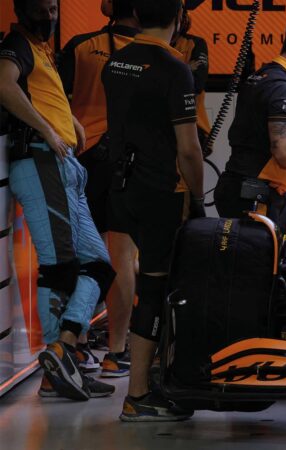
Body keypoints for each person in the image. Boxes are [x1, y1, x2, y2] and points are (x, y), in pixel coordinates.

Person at [0, 0, 116, 400]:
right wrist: (49, 130)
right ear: (21, 7)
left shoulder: (40, 48)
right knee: (60, 268)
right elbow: (3, 84)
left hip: (62, 165)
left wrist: (70, 123)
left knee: (100, 266)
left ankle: (62, 351)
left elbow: (43, 96)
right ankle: (55, 372)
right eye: (40, 7)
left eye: (53, 7)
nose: (48, 15)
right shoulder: (16, 42)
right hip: (40, 161)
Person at [102, 0, 204, 421]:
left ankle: (146, 379)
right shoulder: (174, 68)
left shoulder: (115, 62)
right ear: (179, 19)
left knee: (129, 273)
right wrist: (197, 198)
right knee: (156, 289)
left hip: (119, 186)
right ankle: (139, 395)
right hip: (161, 190)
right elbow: (189, 149)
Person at [58, 0, 139, 379]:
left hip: (83, 158)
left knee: (83, 253)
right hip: (129, 163)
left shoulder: (78, 45)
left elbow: (52, 99)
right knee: (122, 256)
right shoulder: (159, 55)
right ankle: (117, 352)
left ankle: (77, 341)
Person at [214, 14, 286, 222]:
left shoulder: (261, 76)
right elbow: (284, 151)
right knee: (262, 255)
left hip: (237, 187)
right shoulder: (283, 88)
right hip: (255, 197)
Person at [171, 7, 211, 150]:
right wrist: (186, 68)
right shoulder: (152, 45)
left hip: (193, 124)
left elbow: (196, 85)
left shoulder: (195, 44)